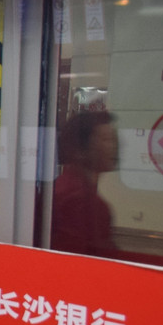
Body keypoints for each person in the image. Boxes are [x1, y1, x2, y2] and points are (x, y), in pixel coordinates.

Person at [50, 109, 119, 257]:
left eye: (114, 139)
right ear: (80, 149)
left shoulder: (67, 187)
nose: (114, 147)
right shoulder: (79, 201)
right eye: (106, 139)